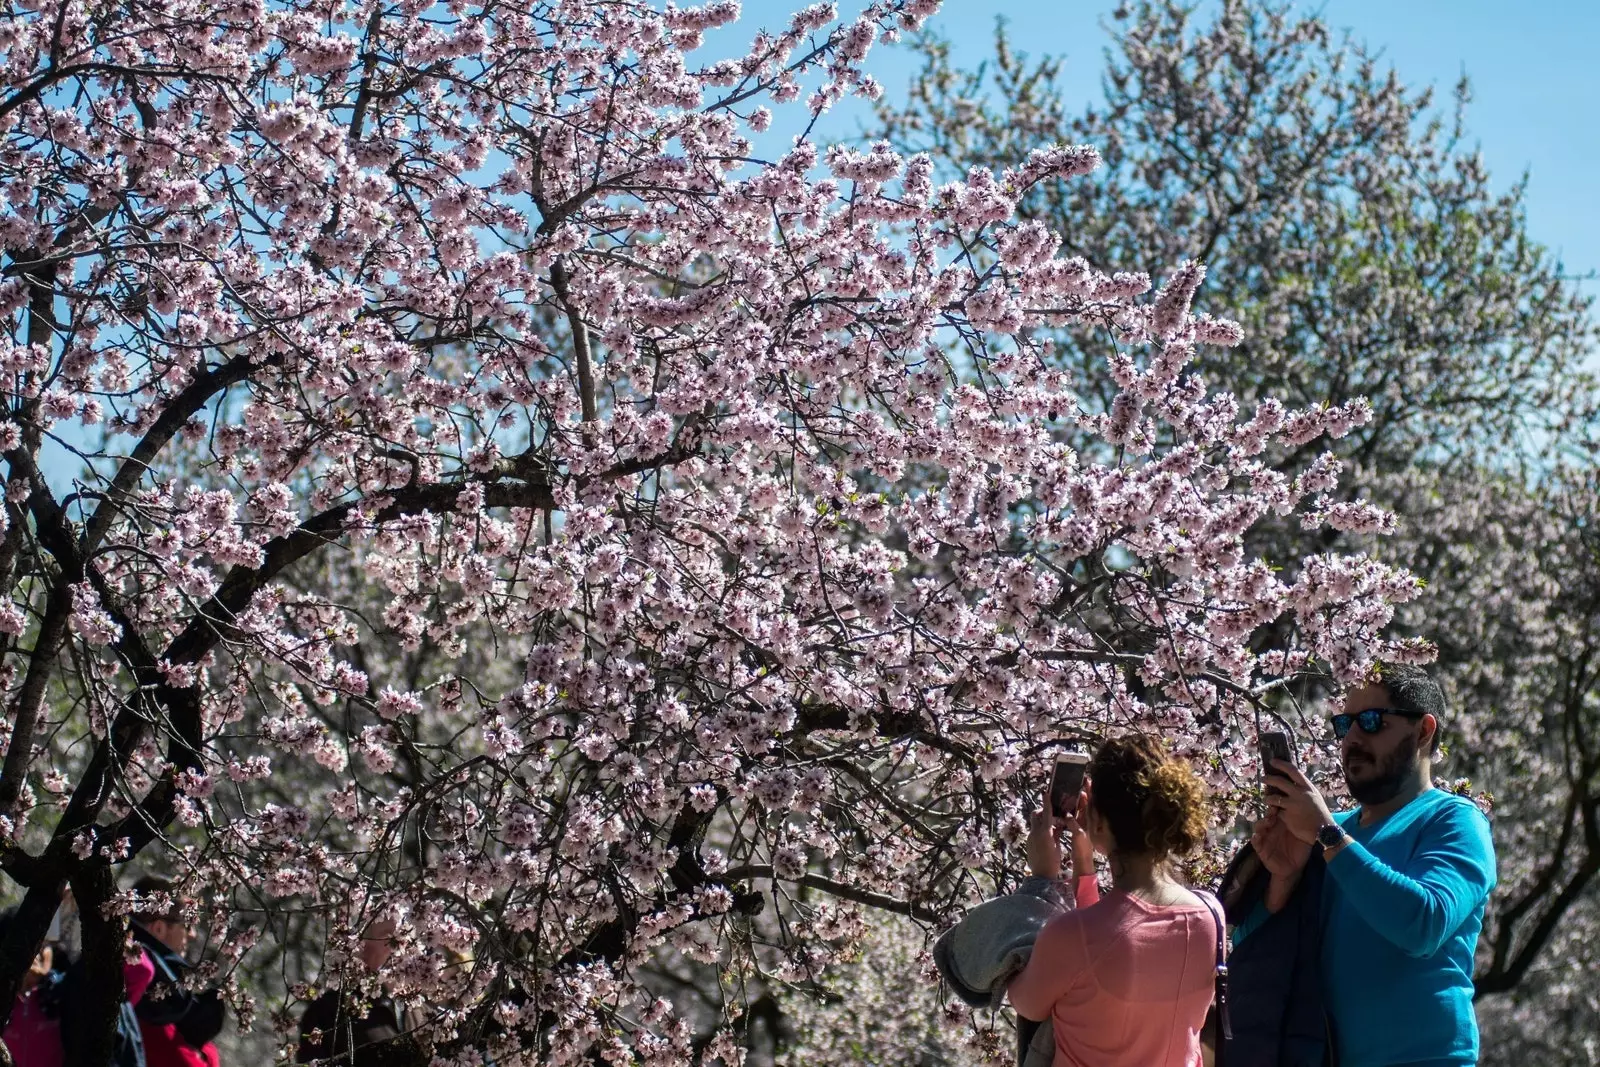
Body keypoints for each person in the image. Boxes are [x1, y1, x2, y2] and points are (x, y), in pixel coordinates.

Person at [1245, 663, 1497, 1067]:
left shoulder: (1455, 821)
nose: (1353, 739)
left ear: (1423, 731)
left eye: (1372, 721)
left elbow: (1424, 923)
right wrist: (1283, 877)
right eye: (1345, 724)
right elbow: (1256, 953)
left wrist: (1328, 837)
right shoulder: (1330, 831)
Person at [1006, 734, 1225, 1067]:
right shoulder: (1210, 916)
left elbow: (1027, 1001)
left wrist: (1042, 882)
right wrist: (1084, 866)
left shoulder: (1070, 936)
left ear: (1098, 820)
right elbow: (1110, 941)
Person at [129, 876, 226, 1067]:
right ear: (158, 928)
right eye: (187, 924)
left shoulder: (167, 998)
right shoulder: (147, 994)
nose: (192, 934)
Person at [296, 919, 419, 1067]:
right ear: (361, 945)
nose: (400, 946)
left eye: (406, 937)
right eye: (389, 937)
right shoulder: (327, 1010)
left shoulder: (416, 1011)